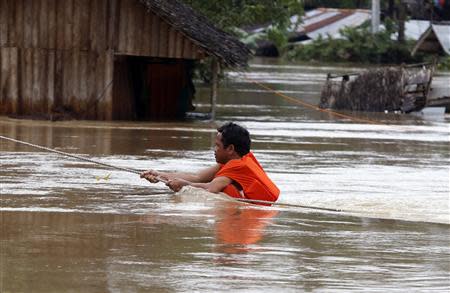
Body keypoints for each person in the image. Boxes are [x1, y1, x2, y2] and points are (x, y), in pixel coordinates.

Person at [140, 122, 280, 202]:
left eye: (217, 146)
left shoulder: (236, 166)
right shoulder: (240, 159)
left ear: (230, 148)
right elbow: (197, 177)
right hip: (263, 205)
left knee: (223, 192)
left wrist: (184, 185)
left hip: (258, 208)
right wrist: (159, 175)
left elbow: (211, 189)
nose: (214, 149)